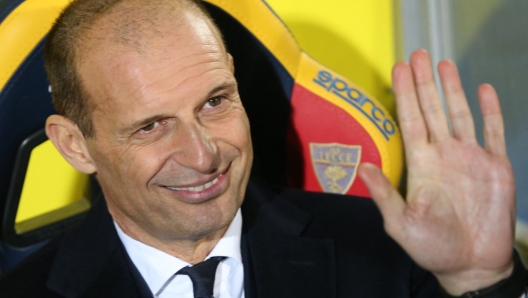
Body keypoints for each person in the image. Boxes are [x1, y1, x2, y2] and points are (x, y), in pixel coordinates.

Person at [0, 0, 525, 297]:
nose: (203, 155)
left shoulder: (388, 253)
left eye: (213, 102)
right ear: (75, 146)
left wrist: (481, 279)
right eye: (152, 126)